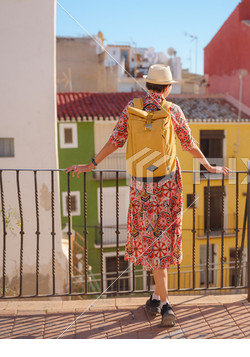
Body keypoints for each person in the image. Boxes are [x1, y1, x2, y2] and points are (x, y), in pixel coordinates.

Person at [66, 64, 230, 327]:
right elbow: (188, 144)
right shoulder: (173, 111)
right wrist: (210, 167)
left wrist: (90, 165)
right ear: (167, 88)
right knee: (162, 243)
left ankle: (155, 298)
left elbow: (114, 141)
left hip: (142, 187)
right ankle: (166, 306)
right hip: (167, 186)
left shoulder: (133, 108)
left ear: (147, 86)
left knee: (152, 242)